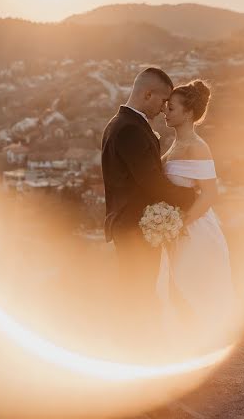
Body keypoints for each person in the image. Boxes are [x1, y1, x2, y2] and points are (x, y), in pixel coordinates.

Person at [100, 67, 195, 319]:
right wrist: (190, 196)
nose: (164, 109)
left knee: (134, 289)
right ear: (148, 94)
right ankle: (138, 345)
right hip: (135, 227)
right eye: (163, 101)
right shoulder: (131, 129)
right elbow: (152, 183)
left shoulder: (118, 123)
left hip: (128, 223)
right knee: (139, 290)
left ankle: (134, 343)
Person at [159, 79, 234, 342]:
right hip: (176, 228)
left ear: (188, 113)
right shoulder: (175, 144)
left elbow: (211, 194)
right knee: (175, 289)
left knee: (191, 289)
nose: (165, 112)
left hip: (195, 231)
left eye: (171, 108)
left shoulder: (197, 147)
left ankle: (199, 345)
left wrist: (180, 224)